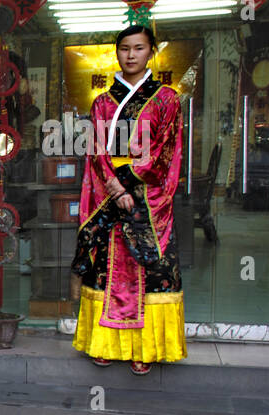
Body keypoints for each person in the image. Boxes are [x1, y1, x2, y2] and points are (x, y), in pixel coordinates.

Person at [71, 24, 185, 375]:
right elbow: (97, 153)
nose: (131, 55)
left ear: (152, 51)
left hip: (148, 200)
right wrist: (115, 189)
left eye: (139, 48)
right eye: (124, 48)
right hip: (111, 197)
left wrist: (133, 186)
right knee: (106, 268)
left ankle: (145, 349)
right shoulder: (103, 102)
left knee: (151, 270)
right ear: (116, 52)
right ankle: (104, 344)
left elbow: (167, 150)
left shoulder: (167, 99)